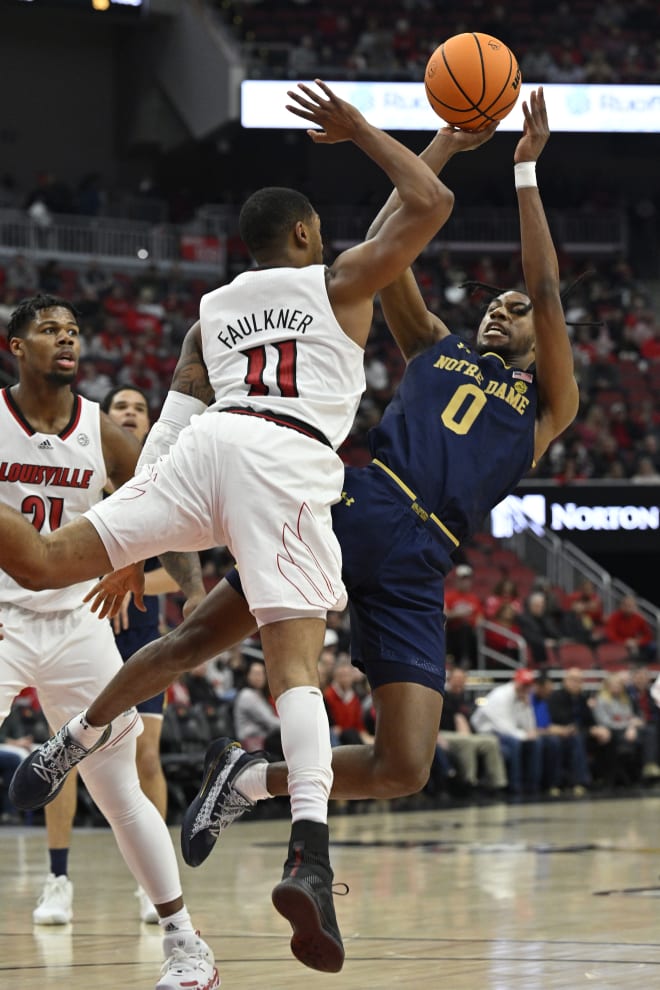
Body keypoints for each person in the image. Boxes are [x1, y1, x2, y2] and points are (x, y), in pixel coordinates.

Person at [13, 84, 577, 826]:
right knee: (194, 640)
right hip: (358, 505)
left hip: (422, 561)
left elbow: (543, 284)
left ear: (543, 331)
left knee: (404, 766)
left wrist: (526, 172)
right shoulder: (434, 345)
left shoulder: (549, 406)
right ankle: (73, 737)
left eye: (515, 309)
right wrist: (444, 150)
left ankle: (249, 781)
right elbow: (383, 249)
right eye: (493, 305)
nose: (501, 310)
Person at [3, 81, 454, 974]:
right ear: (304, 236)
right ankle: (311, 855)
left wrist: (146, 518)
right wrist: (367, 130)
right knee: (294, 665)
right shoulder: (342, 279)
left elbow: (173, 414)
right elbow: (425, 207)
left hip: (202, 450)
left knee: (52, 559)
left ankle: (76, 739)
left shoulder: (215, 310)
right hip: (283, 461)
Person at [0, 294, 218, 988]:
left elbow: (161, 500)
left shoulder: (104, 430)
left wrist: (172, 581)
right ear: (16, 346)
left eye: (73, 331)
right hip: (3, 620)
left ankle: (186, 944)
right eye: (48, 330)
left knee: (120, 789)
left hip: (77, 625)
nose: (66, 339)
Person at [470, 669, 544, 798]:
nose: (525, 688)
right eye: (523, 684)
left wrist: (525, 707)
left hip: (509, 731)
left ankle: (532, 787)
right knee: (514, 743)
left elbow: (529, 727)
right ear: (516, 682)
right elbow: (504, 727)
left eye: (528, 685)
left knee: (535, 742)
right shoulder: (501, 695)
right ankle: (514, 787)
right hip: (486, 731)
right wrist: (526, 735)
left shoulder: (524, 697)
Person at [439, 666, 508, 796]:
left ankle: (498, 785)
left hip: (465, 734)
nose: (460, 682)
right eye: (457, 679)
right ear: (449, 679)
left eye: (462, 679)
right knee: (466, 741)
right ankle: (469, 783)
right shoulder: (442, 696)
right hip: (443, 734)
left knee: (491, 741)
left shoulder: (466, 698)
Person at [443, 564, 484, 667]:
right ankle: (463, 661)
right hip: (452, 632)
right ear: (457, 580)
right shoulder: (449, 596)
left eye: (467, 579)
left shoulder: (474, 598)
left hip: (470, 634)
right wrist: (458, 614)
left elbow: (480, 616)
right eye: (462, 579)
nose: (465, 582)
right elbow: (444, 614)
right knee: (463, 629)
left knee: (473, 634)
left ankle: (471, 663)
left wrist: (478, 622)